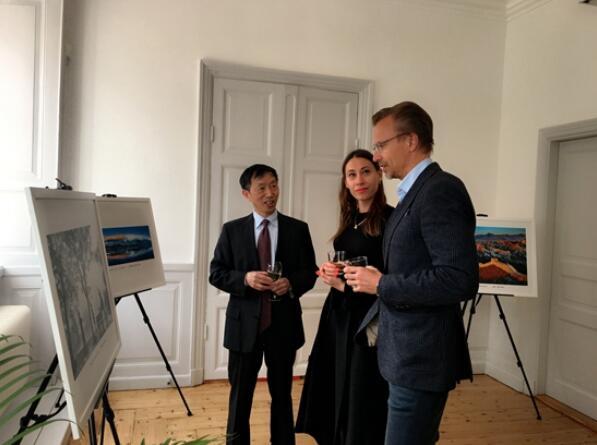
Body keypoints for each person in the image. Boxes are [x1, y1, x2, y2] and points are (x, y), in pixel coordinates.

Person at [344, 102, 479, 445]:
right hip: (404, 353)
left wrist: (381, 283)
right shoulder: (413, 193)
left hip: (421, 357)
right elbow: (416, 265)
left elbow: (458, 278)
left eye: (380, 145)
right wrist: (377, 276)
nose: (376, 155)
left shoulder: (440, 190)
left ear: (410, 141)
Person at [209, 164, 317, 445]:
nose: (270, 193)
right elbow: (216, 273)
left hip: (283, 326)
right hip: (243, 328)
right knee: (240, 395)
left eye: (274, 185)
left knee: (282, 394)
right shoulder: (232, 231)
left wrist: (291, 283)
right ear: (247, 194)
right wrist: (245, 278)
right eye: (262, 188)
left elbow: (310, 272)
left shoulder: (297, 229)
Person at [296, 149, 392, 445]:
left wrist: (342, 285)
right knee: (335, 380)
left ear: (379, 175)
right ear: (346, 183)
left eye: (366, 171)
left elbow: (387, 277)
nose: (359, 180)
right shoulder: (350, 219)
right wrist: (331, 270)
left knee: (360, 388)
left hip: (367, 317)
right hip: (338, 313)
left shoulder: (391, 219)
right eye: (352, 175)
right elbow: (349, 264)